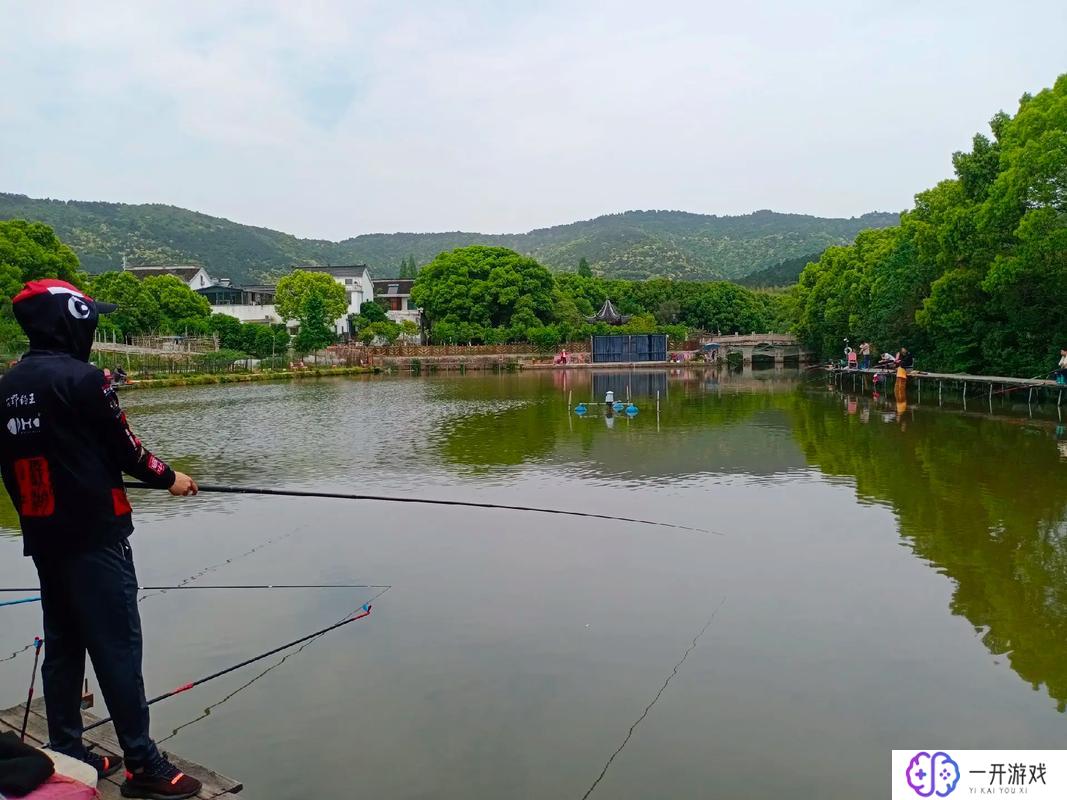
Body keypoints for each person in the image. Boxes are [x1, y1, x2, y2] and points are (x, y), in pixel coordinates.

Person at [0, 280, 202, 799]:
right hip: (96, 537)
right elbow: (128, 451)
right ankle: (143, 765)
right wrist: (171, 478)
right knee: (117, 649)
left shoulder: (6, 385)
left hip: (44, 538)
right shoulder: (86, 380)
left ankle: (67, 750)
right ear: (73, 322)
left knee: (65, 645)